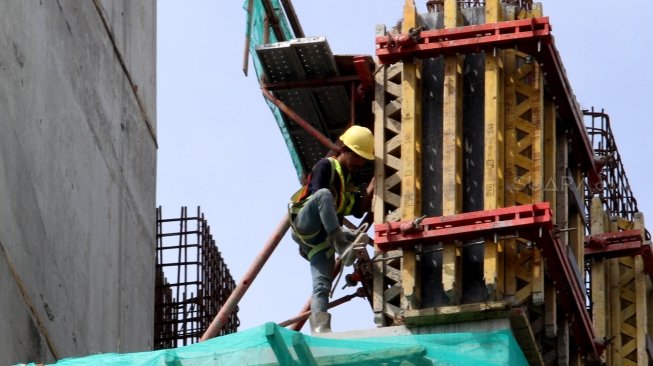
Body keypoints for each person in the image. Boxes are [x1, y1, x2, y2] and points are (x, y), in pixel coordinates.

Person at [288, 125, 374, 334]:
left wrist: (375, 182)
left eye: (363, 159)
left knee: (321, 286)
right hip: (307, 225)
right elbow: (318, 195)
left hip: (321, 241)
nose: (359, 163)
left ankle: (320, 330)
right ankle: (341, 242)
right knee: (324, 195)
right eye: (357, 157)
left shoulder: (347, 183)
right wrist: (340, 236)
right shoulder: (326, 165)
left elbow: (358, 209)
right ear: (344, 148)